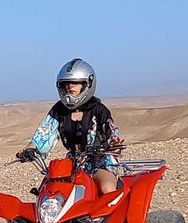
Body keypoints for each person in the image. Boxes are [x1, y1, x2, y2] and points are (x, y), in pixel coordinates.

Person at [17, 58, 124, 194]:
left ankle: (111, 215)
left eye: (75, 82)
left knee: (107, 188)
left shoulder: (99, 110)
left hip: (99, 164)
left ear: (87, 84)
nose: (70, 86)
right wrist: (29, 150)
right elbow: (44, 134)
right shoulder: (59, 110)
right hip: (72, 165)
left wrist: (113, 143)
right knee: (48, 191)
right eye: (66, 83)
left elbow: (112, 135)